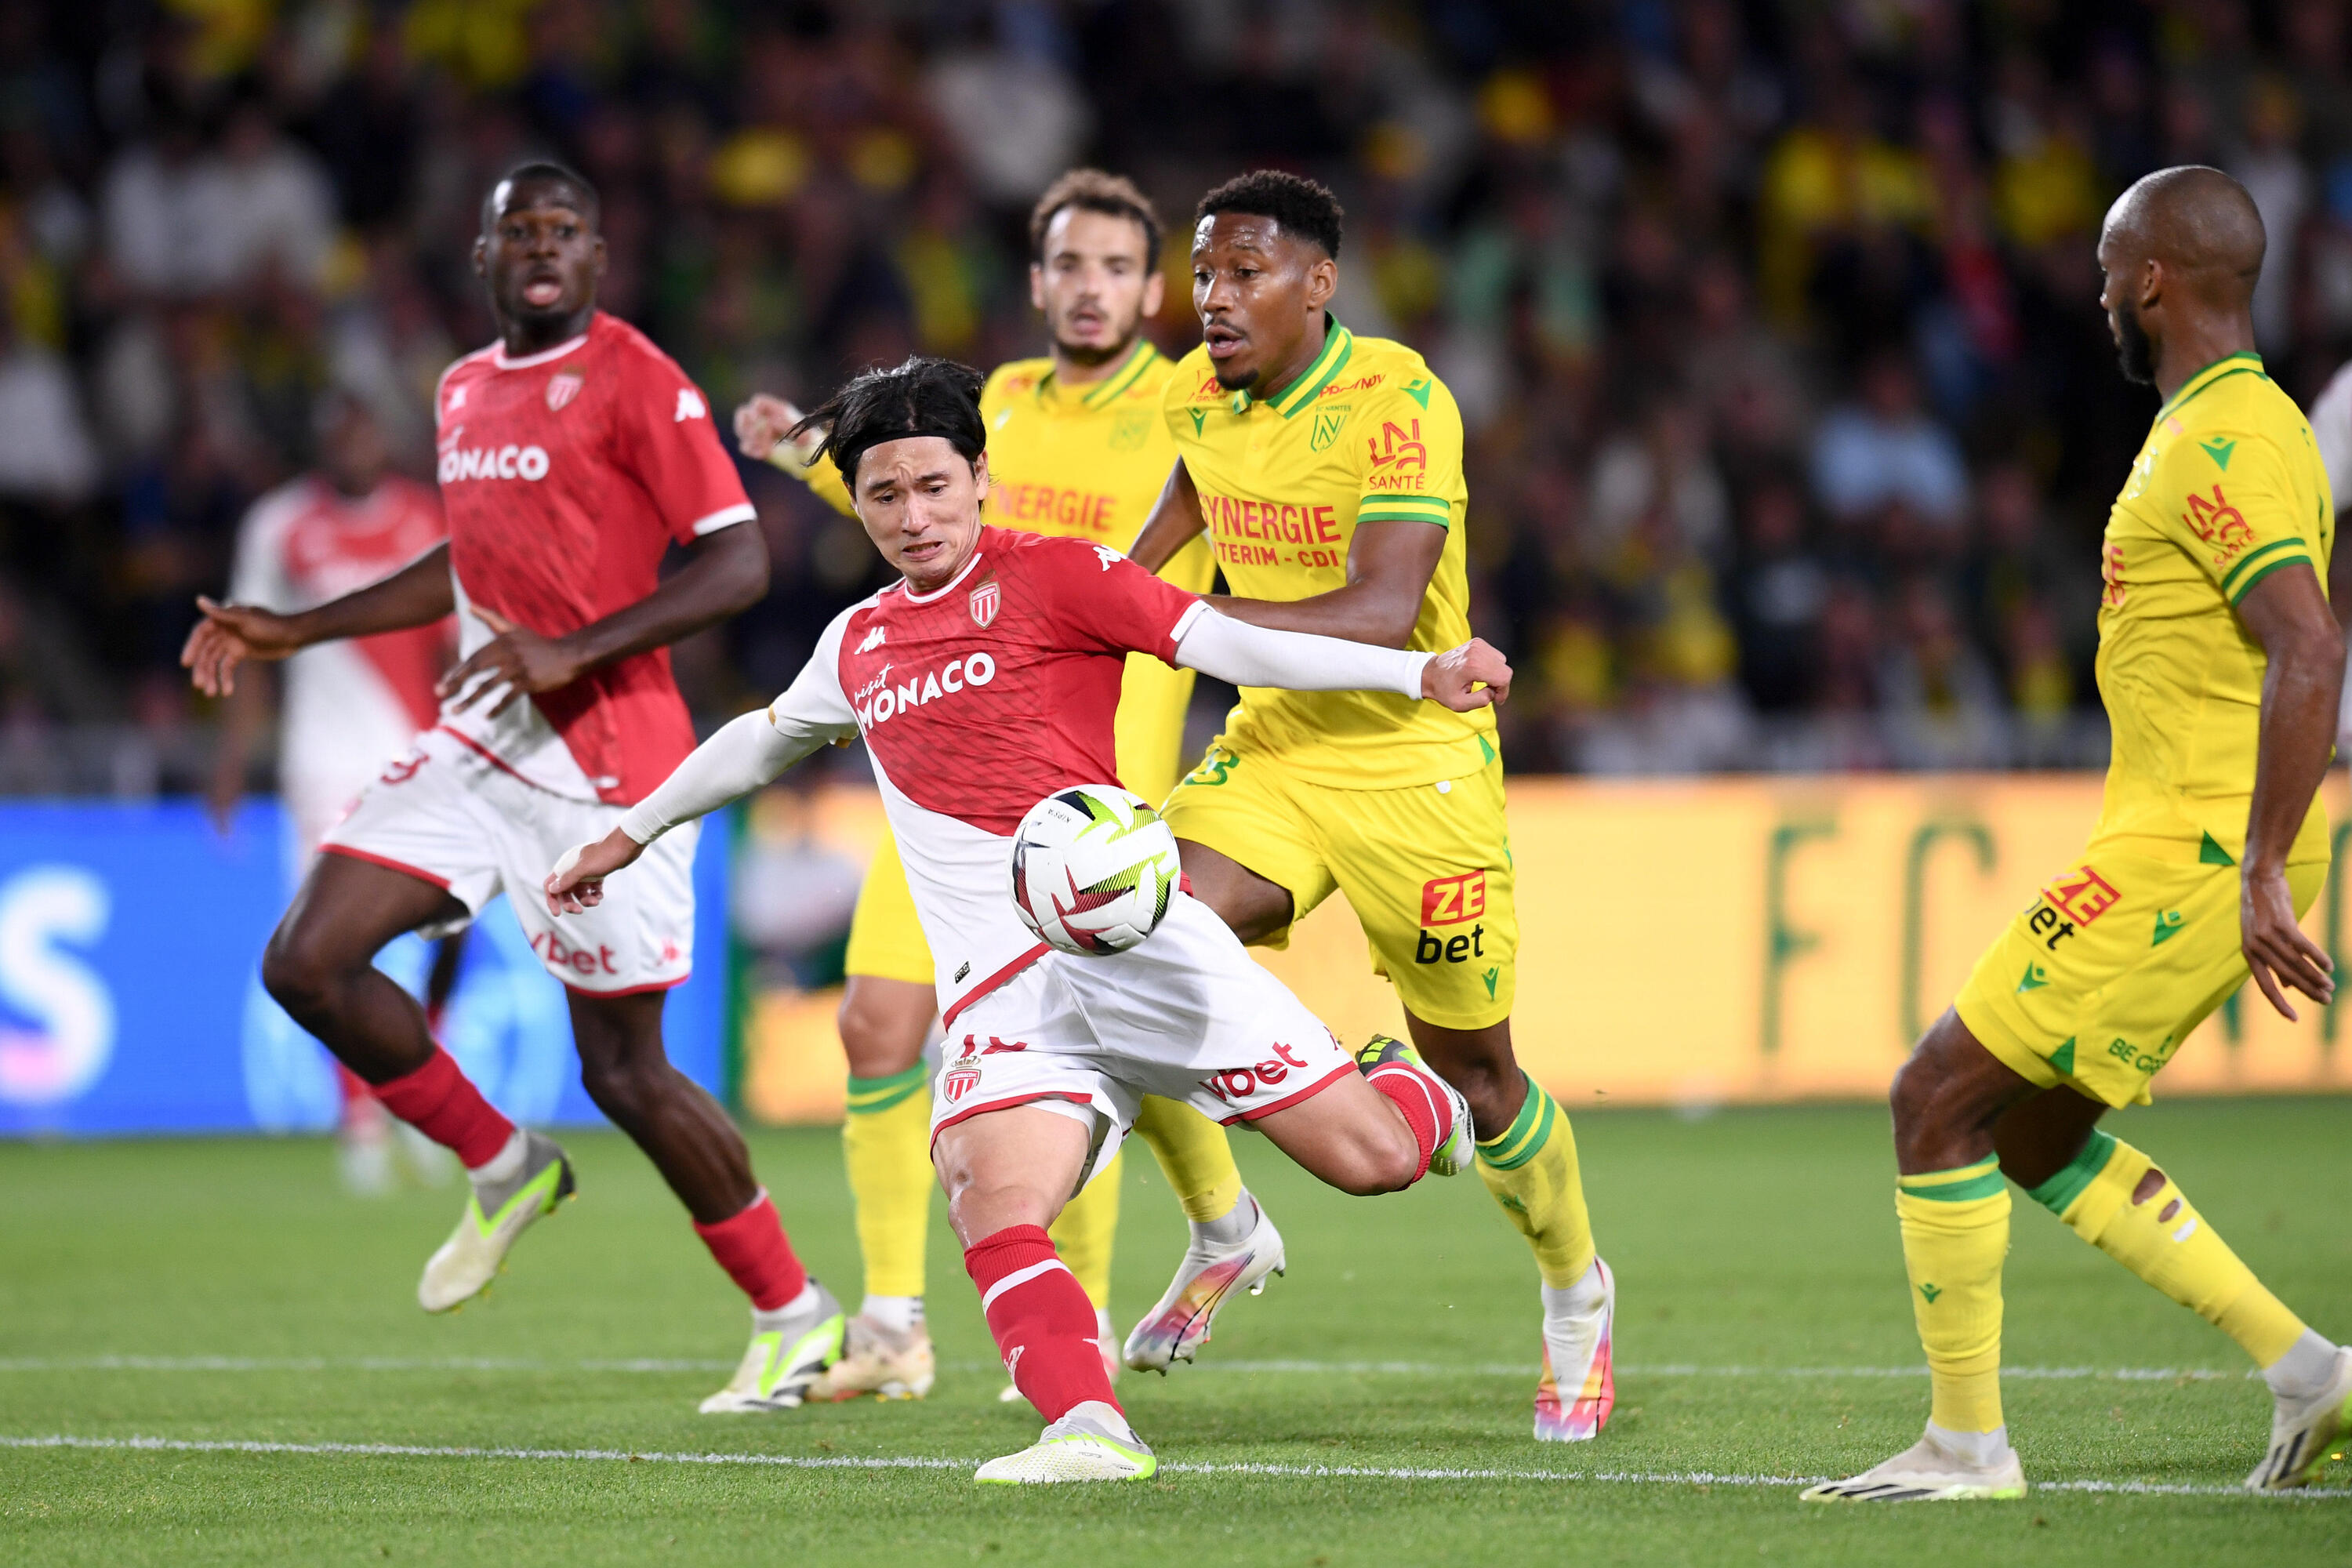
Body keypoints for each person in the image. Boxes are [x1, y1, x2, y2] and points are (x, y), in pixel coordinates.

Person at [547, 354, 1501, 1483]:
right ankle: (1088, 1429)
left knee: (1378, 1164)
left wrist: (1413, 674)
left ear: (981, 477)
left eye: (935, 487)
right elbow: (763, 737)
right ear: (857, 502)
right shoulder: (858, 643)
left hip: (1145, 951)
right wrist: (630, 832)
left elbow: (1223, 640)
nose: (913, 516)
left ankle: (1410, 1092)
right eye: (885, 495)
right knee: (991, 1198)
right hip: (1009, 993)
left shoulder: (1063, 577)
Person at [180, 163, 845, 1415]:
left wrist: (576, 647)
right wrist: (297, 629)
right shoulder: (462, 389)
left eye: (564, 230)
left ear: (598, 255)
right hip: (481, 741)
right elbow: (466, 563)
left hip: (610, 763)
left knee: (627, 1074)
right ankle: (502, 1164)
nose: (540, 248)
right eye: (516, 231)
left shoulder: (640, 377)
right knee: (305, 964)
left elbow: (741, 558)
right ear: (482, 258)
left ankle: (794, 1314)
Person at [1803, 165, 2352, 1504]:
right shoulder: (2227, 423)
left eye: (2112, 270)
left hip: (2198, 854)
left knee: (1934, 1098)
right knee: (2035, 1134)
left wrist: (2265, 864)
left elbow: (2309, 643)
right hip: (2194, 840)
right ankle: (2307, 1369)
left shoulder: (2221, 441)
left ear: (2155, 281)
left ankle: (1966, 1448)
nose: (2101, 293)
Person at [735, 170, 1276, 1397]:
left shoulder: (1192, 406)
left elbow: (1231, 545)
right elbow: (907, 495)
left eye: (1117, 270)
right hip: (948, 776)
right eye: (1069, 267)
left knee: (1089, 1054)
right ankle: (891, 1326)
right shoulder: (1000, 407)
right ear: (1037, 285)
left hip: (1095, 793)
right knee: (876, 1020)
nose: (1091, 289)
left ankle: (1092, 1311)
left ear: (1154, 290)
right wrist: (801, 447)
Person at [1123, 170, 1614, 1442]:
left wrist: (1183, 625)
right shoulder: (1196, 391)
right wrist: (1096, 599)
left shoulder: (1397, 402)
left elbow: (1384, 613)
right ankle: (1229, 1224)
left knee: (1485, 1079)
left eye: (1246, 274)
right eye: (1205, 273)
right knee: (1141, 924)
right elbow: (1171, 528)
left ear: (1319, 285)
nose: (1214, 298)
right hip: (1278, 748)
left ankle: (1576, 1294)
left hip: (1416, 767)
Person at [209, 390, 460, 1196]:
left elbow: (463, 644)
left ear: (382, 438)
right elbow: (249, 647)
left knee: (451, 927)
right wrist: (231, 757)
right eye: (337, 431)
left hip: (424, 755)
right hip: (321, 762)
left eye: (363, 427)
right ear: (320, 443)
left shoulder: (431, 517)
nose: (352, 443)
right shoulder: (278, 525)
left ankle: (426, 1097)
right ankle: (361, 1118)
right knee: (331, 949)